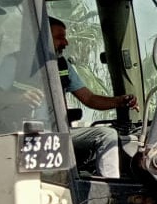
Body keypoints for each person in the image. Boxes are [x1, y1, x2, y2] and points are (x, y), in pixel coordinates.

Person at [47, 17, 138, 176]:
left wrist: (120, 101)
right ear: (44, 38)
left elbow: (89, 98)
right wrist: (21, 97)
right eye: (60, 37)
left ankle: (111, 188)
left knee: (107, 134)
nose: (66, 43)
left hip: (60, 132)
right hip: (27, 134)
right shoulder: (15, 62)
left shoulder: (62, 65)